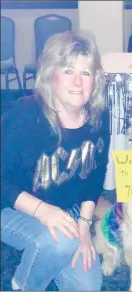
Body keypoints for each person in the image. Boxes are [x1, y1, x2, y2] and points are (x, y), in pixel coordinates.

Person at [1, 31, 110, 291]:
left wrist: (83, 229)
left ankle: (56, 246)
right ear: (51, 75)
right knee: (61, 242)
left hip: (67, 210)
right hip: (12, 207)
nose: (78, 82)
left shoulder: (99, 116)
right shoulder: (26, 114)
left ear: (95, 79)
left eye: (86, 73)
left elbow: (94, 177)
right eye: (68, 70)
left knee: (88, 286)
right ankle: (22, 285)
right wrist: (42, 211)